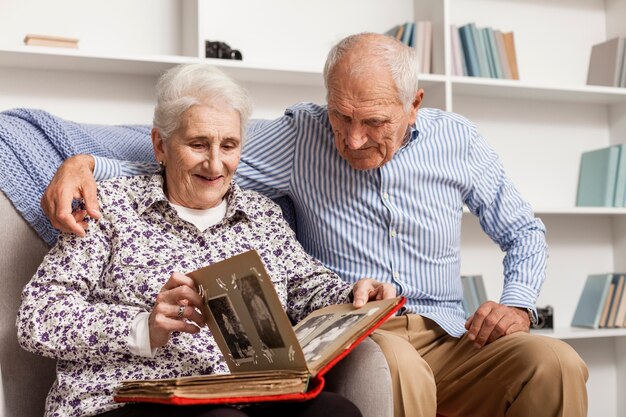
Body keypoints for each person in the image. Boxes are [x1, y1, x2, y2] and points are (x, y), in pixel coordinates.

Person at [40, 33, 588, 417]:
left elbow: (523, 231)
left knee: (554, 362)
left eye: (373, 122)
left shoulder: (458, 140)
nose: (350, 140)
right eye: (340, 117)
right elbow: (190, 151)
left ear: (414, 105)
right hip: (358, 334)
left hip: (448, 329)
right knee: (397, 371)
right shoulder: (300, 137)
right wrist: (83, 163)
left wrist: (516, 301)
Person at [17, 63, 396, 417]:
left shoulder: (262, 215)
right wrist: (142, 326)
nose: (215, 165)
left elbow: (305, 286)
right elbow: (37, 317)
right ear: (161, 146)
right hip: (125, 399)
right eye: (198, 144)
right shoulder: (108, 208)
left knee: (335, 412)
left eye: (228, 146)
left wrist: (353, 296)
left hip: (245, 394)